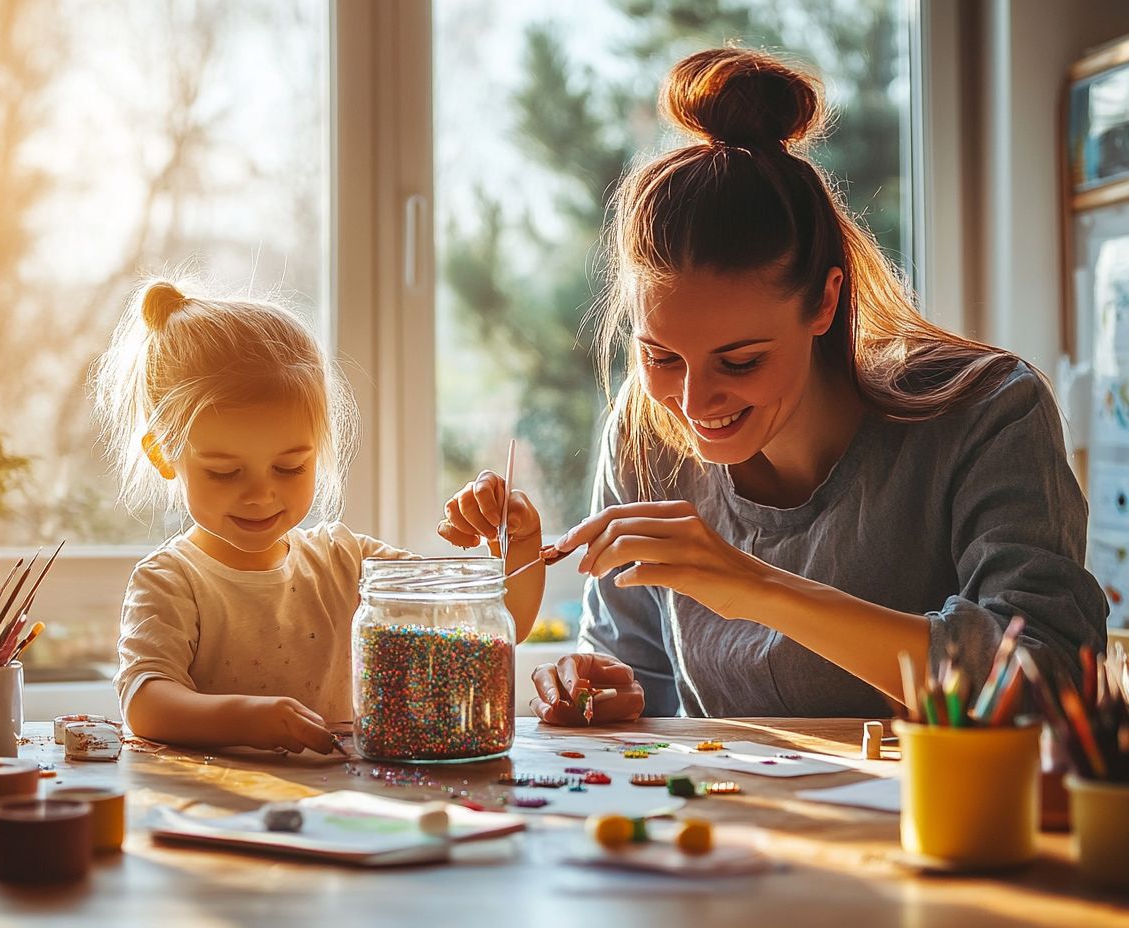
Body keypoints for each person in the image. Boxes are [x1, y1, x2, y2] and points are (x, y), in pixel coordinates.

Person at [529, 47, 1108, 724]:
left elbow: (1048, 680)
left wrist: (760, 589)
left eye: (739, 361)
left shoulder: (987, 412)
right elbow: (638, 678)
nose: (692, 405)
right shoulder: (644, 432)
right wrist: (603, 690)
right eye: (661, 356)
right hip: (737, 823)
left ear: (825, 303)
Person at [95, 279, 543, 754]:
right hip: (223, 815)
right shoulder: (171, 581)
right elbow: (145, 703)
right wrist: (248, 719)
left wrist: (520, 540)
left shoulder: (345, 562)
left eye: (290, 467)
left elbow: (497, 619)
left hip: (342, 811)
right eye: (225, 473)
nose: (260, 495)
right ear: (165, 455)